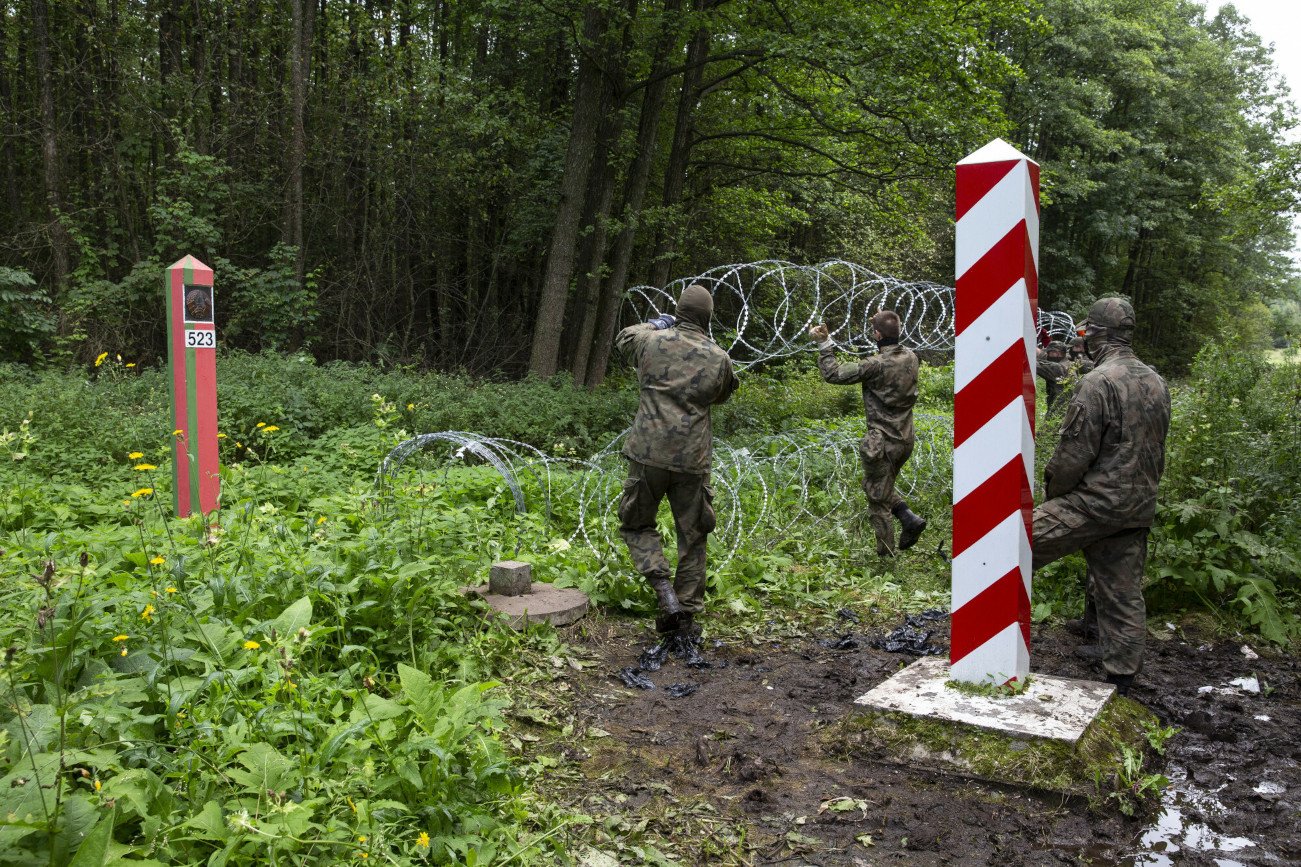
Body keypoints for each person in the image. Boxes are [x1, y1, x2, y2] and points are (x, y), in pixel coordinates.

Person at [1031, 297, 1171, 694]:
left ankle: (989, 641)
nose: (1085, 339)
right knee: (1122, 592)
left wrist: (1054, 496)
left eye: (1087, 332)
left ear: (1098, 335)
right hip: (1137, 505)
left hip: (1093, 503)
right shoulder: (1156, 381)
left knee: (1011, 549)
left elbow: (1072, 457)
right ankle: (1121, 680)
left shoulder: (1097, 382)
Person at [615, 284, 739, 639]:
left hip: (647, 454)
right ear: (708, 317)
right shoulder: (719, 357)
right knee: (694, 534)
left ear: (679, 312)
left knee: (637, 524)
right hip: (691, 459)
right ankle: (686, 613)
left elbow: (625, 337)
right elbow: (723, 396)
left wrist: (658, 323)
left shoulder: (651, 342)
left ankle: (663, 591)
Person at [808, 311, 926, 557]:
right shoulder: (911, 357)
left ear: (877, 335)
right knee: (878, 485)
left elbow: (834, 374)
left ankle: (885, 557)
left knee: (877, 499)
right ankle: (908, 518)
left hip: (882, 443)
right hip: (905, 437)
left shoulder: (875, 364)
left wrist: (824, 343)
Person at [1036, 340, 1069, 411]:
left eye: (1050, 353)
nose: (1047, 355)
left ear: (1057, 353)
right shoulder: (1068, 363)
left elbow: (1035, 365)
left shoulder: (1057, 367)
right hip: (1066, 408)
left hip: (1058, 410)